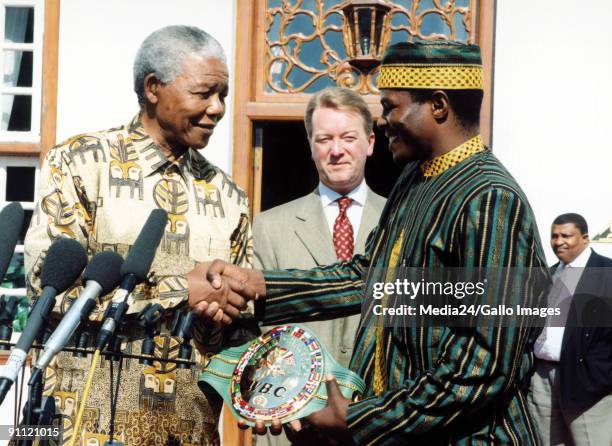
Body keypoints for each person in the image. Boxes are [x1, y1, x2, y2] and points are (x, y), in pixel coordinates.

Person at [197, 41, 550, 445]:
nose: (383, 122)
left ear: (438, 105)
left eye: (391, 107)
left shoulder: (488, 198)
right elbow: (368, 278)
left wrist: (361, 420)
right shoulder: (416, 180)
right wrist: (259, 285)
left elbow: (483, 367)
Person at [24, 25, 251, 445]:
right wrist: (180, 290)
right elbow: (46, 289)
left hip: (189, 433)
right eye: (205, 93)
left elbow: (240, 334)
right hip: (78, 431)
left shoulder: (230, 195)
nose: (218, 108)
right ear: (152, 88)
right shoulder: (79, 164)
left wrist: (232, 311)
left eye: (224, 94)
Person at [253, 87, 385, 446]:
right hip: (293, 426)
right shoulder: (269, 226)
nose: (336, 150)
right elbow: (255, 332)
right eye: (325, 138)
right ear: (311, 145)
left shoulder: (402, 223)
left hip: (375, 426)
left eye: (348, 137)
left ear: (370, 143)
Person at [528, 213, 612, 446]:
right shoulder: (549, 272)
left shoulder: (606, 271)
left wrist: (601, 374)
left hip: (589, 384)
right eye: (554, 236)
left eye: (566, 235)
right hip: (542, 379)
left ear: (585, 238)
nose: (558, 241)